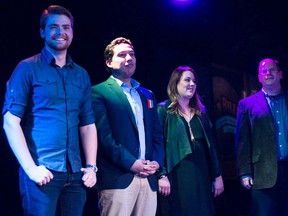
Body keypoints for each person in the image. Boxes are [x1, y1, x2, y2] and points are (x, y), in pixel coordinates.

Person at [2, 5, 98, 216]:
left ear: (72, 32)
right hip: (42, 172)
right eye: (53, 26)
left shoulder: (81, 75)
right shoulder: (27, 68)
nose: (61, 32)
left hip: (75, 175)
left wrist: (91, 167)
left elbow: (88, 125)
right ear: (42, 31)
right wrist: (30, 169)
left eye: (66, 27)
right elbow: (10, 121)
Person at [92, 37, 165, 216]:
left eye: (131, 54)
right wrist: (132, 163)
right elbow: (104, 137)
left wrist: (157, 162)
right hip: (118, 178)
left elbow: (157, 134)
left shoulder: (147, 94)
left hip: (148, 177)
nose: (129, 58)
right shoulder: (98, 92)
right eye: (122, 55)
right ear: (109, 62)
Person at [157, 65, 224, 216]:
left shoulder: (201, 112)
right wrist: (161, 175)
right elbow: (158, 145)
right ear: (176, 83)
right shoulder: (163, 110)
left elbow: (211, 146)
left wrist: (217, 175)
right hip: (177, 175)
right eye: (187, 80)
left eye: (194, 81)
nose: (192, 84)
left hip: (201, 173)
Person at [235, 58, 288, 216]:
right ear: (259, 77)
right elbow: (242, 141)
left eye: (272, 70)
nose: (268, 73)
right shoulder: (247, 104)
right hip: (262, 172)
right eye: (264, 71)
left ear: (280, 74)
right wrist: (244, 172)